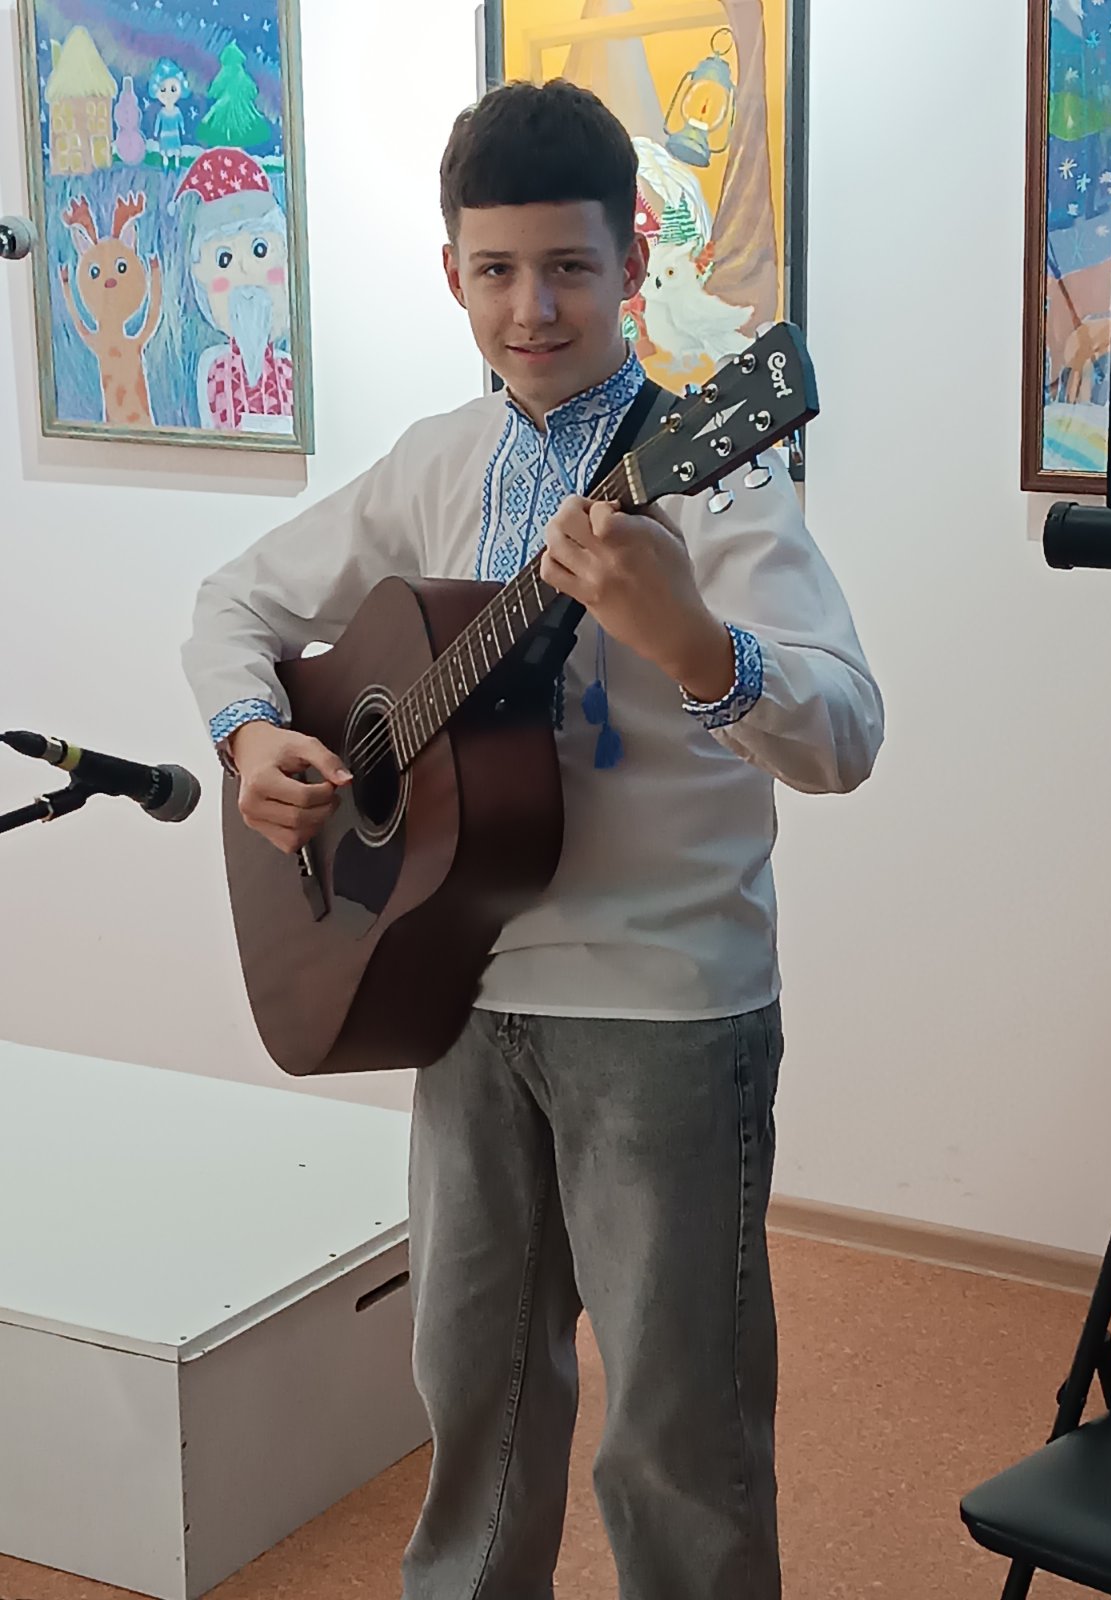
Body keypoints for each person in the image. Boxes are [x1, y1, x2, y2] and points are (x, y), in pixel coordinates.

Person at [181, 79, 884, 1600]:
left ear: (634, 262)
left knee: (677, 1428)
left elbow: (844, 733)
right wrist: (250, 735)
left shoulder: (722, 468)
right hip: (452, 982)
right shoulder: (435, 462)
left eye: (569, 267)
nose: (532, 307)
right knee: (472, 1401)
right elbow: (235, 602)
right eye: (496, 270)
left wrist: (698, 646)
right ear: (452, 273)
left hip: (661, 1003)